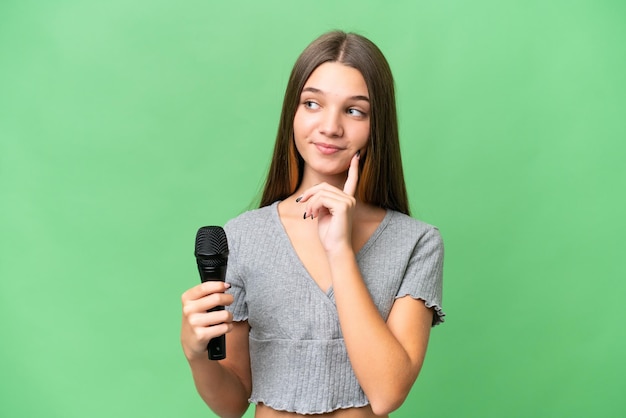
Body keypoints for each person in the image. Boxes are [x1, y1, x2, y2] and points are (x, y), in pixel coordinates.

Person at [180, 30, 445, 418]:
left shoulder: (416, 243)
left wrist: (340, 250)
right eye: (312, 104)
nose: (330, 127)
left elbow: (387, 393)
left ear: (377, 125)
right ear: (293, 111)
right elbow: (232, 403)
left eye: (354, 110)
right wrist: (196, 354)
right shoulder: (242, 237)